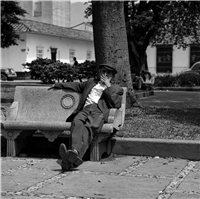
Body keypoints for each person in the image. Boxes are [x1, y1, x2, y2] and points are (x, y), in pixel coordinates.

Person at [49, 63, 123, 171]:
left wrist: (108, 86)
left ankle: (71, 158)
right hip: (85, 109)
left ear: (112, 77)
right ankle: (73, 155)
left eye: (108, 74)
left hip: (98, 112)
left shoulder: (116, 88)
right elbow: (75, 85)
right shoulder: (91, 82)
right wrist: (58, 85)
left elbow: (116, 104)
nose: (104, 75)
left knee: (88, 128)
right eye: (103, 72)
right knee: (77, 122)